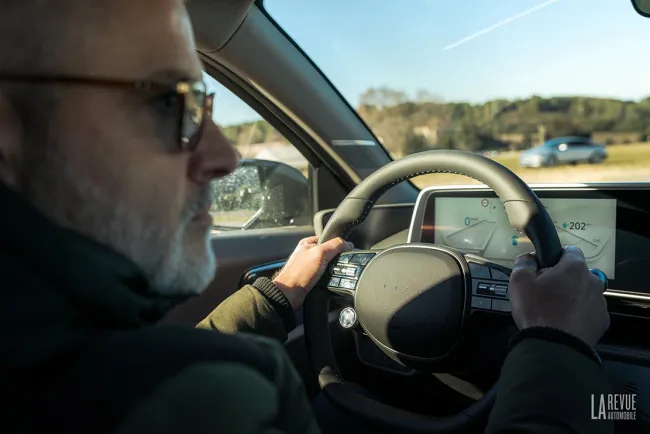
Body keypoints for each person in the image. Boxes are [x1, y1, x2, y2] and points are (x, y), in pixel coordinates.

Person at [0, 1, 612, 433]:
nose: (225, 155)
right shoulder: (210, 400)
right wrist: (555, 345)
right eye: (171, 104)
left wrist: (278, 294)